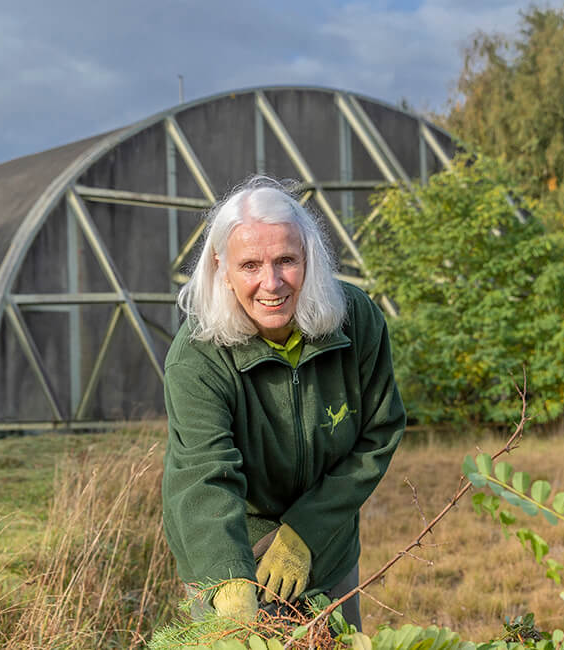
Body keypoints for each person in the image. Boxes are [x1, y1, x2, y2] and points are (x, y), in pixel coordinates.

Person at [161, 176, 405, 629]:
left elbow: (378, 433)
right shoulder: (197, 357)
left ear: (309, 259)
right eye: (250, 265)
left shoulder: (355, 321)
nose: (270, 283)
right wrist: (229, 583)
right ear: (221, 269)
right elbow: (204, 476)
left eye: (286, 260)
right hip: (233, 539)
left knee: (335, 637)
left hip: (327, 544)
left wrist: (306, 532)